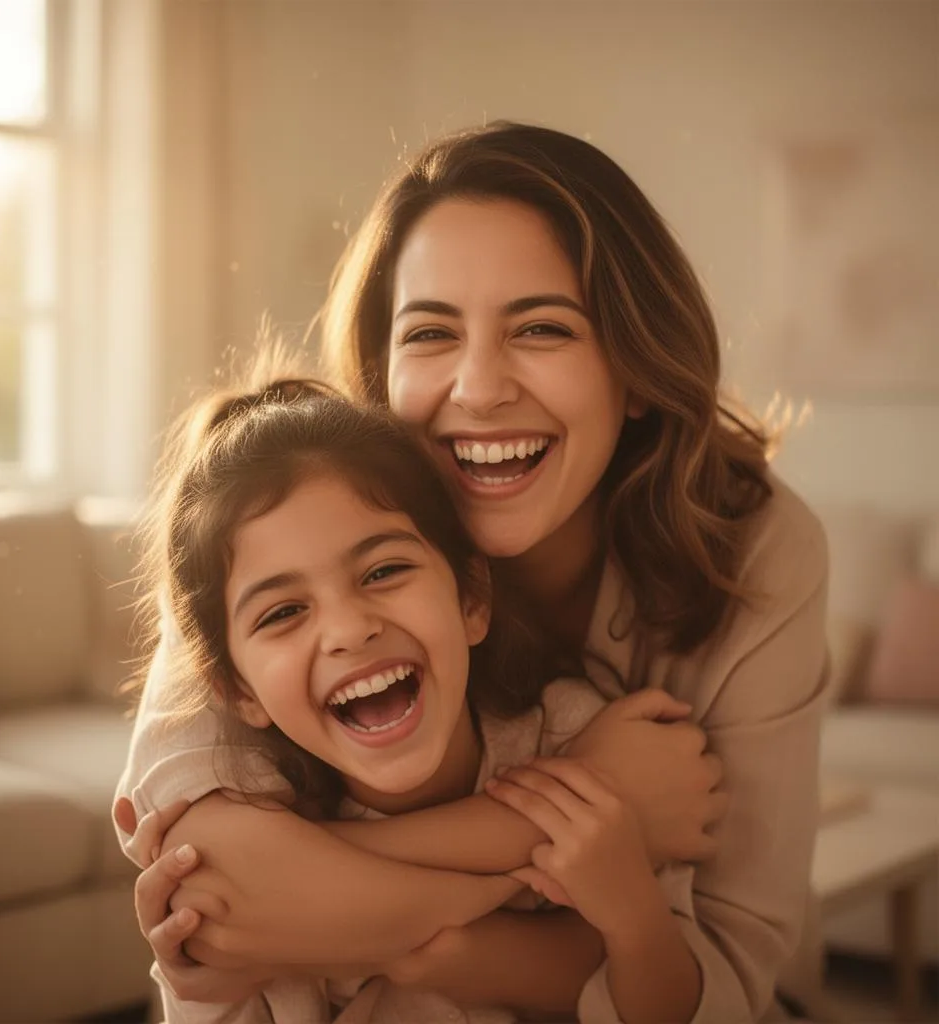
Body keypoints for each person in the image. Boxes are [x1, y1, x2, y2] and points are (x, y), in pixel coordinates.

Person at [116, 121, 828, 1022]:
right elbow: (208, 879)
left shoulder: (757, 546)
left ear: (637, 366)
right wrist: (559, 820)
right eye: (431, 334)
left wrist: (380, 926)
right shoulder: (272, 522)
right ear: (379, 375)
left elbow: (718, 975)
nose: (480, 388)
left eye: (541, 327)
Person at [138, 377, 703, 1023]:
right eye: (284, 612)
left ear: (471, 599)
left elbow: (671, 1006)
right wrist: (518, 863)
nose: (350, 629)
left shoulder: (574, 740)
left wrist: (632, 913)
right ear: (239, 692)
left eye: (383, 572)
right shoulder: (244, 821)